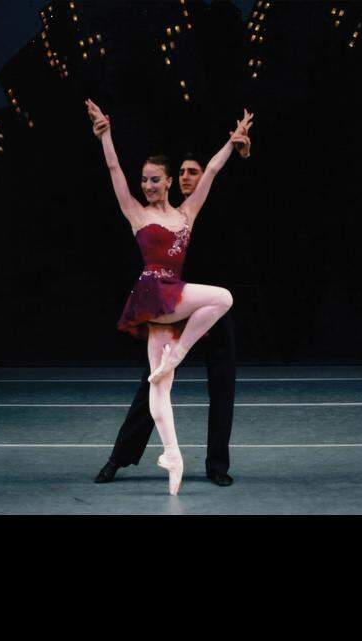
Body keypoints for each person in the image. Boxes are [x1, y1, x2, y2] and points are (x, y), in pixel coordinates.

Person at [84, 98, 253, 495]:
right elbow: (113, 170)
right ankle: (140, 451)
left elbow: (212, 170)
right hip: (155, 298)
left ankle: (180, 459)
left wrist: (232, 142)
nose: (147, 185)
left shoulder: (187, 214)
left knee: (166, 382)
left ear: (168, 182)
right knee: (159, 379)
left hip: (183, 304)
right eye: (145, 180)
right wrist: (106, 135)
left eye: (153, 179)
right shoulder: (137, 214)